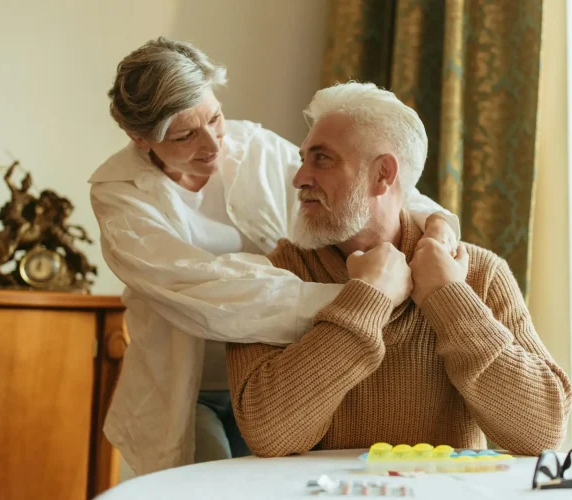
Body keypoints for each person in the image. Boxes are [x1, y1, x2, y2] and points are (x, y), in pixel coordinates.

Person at [88, 38, 460, 476]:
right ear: (140, 140)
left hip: (277, 376)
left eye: (215, 118)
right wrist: (367, 297)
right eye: (185, 135)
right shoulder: (119, 196)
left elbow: (354, 187)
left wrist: (436, 221)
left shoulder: (256, 148)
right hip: (193, 390)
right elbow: (209, 292)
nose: (211, 143)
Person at [226, 82, 572, 458]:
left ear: (383, 174)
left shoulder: (480, 273)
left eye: (322, 159)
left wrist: (449, 298)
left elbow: (544, 430)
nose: (300, 178)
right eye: (303, 158)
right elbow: (267, 434)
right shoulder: (275, 276)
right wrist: (367, 299)